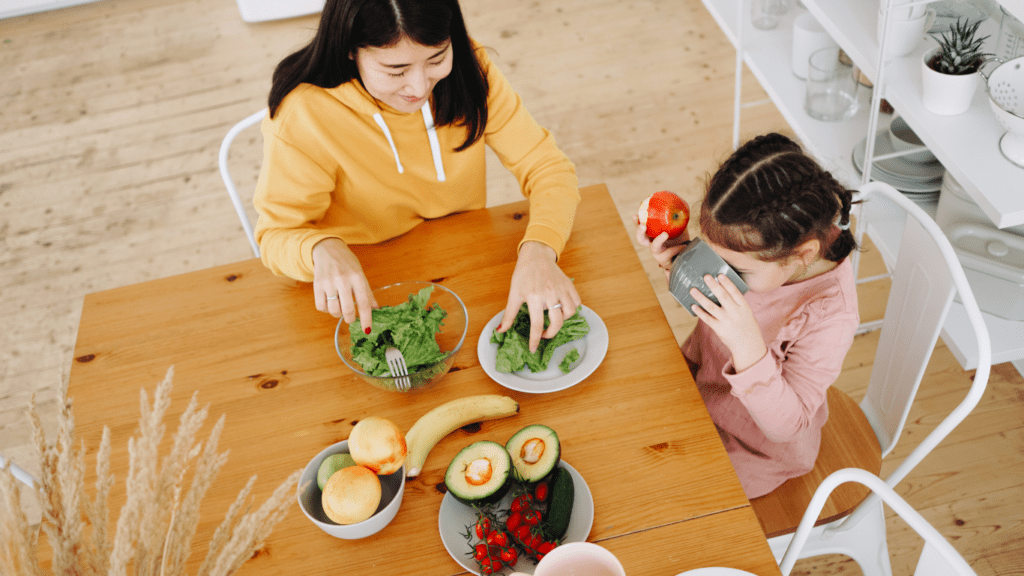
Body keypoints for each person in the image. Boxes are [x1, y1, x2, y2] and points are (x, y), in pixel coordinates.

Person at [253, 0, 582, 352]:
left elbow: (547, 166)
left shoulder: (470, 69)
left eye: (437, 59)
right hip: (364, 289)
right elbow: (275, 236)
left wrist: (540, 251)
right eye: (396, 70)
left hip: (462, 266)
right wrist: (320, 248)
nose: (419, 86)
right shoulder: (303, 114)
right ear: (350, 50)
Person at [636, 133, 860, 498]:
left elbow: (788, 427)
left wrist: (748, 346)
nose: (717, 274)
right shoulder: (762, 256)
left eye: (734, 271)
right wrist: (679, 262)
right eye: (711, 254)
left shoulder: (830, 315)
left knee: (659, 491)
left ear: (802, 256)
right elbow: (718, 285)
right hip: (700, 391)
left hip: (756, 449)